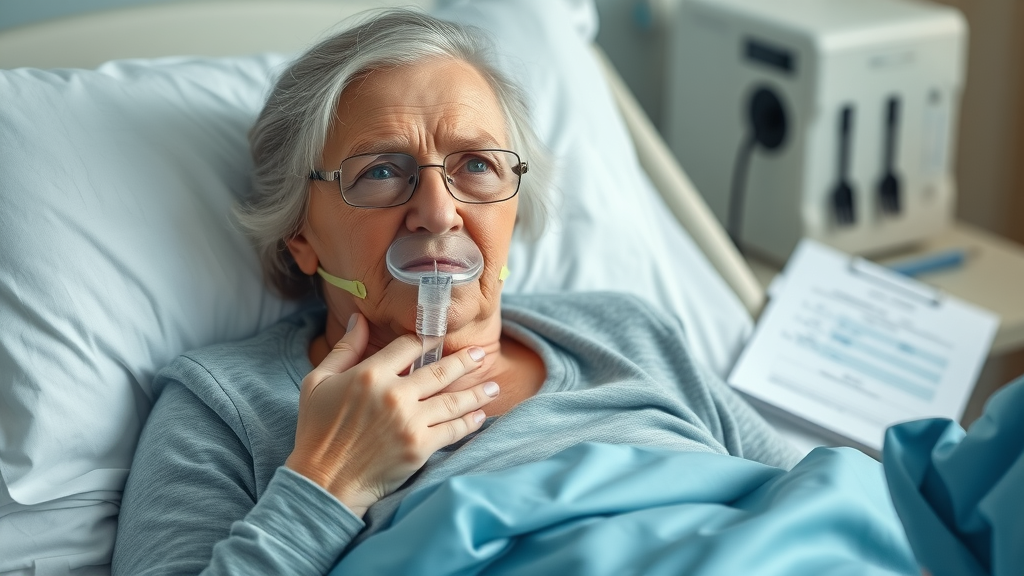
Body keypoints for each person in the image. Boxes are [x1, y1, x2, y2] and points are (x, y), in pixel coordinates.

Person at [112, 8, 797, 575]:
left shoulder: (626, 331)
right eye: (382, 171)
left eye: (475, 164)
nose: (438, 213)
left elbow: (810, 502)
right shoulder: (225, 407)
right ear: (300, 236)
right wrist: (328, 483)